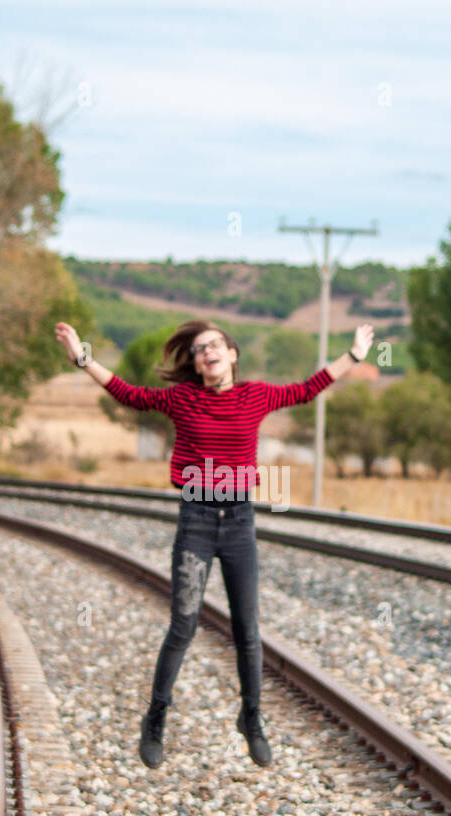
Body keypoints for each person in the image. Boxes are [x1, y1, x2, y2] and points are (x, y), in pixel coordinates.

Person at [54, 318, 374, 768]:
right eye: (201, 349)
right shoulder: (182, 399)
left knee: (248, 630)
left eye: (216, 345)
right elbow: (129, 394)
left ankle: (252, 717)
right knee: (183, 627)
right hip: (197, 524)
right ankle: (155, 719)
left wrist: (355, 354)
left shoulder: (256, 396)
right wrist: (83, 358)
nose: (208, 352)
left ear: (232, 355)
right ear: (197, 365)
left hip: (240, 524)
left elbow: (308, 388)